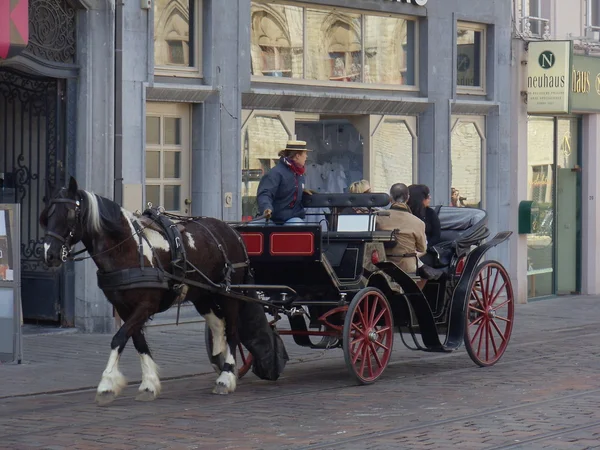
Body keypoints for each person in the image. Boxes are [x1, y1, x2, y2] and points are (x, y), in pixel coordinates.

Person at [376, 183, 442, 280]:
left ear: (390, 199)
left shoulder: (376, 218)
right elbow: (422, 248)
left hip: (380, 262)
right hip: (407, 263)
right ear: (407, 198)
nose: (430, 198)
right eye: (427, 196)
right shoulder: (418, 222)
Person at [256, 140, 312, 225]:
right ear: (297, 156)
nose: (306, 157)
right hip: (273, 218)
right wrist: (266, 208)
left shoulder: (299, 174)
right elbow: (265, 193)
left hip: (292, 218)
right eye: (305, 154)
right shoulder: (275, 173)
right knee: (254, 227)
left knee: (297, 225)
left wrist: (302, 190)